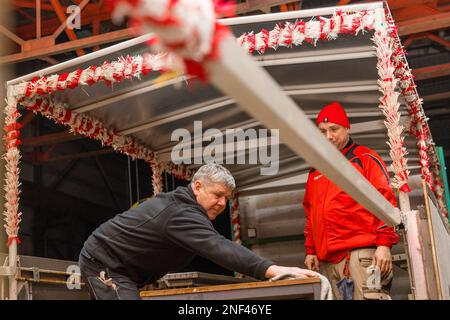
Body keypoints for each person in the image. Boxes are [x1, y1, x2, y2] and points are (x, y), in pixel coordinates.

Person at [79, 163, 317, 299]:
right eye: (217, 195)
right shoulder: (180, 213)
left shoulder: (188, 211)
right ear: (198, 186)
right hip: (105, 263)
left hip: (128, 271)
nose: (223, 203)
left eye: (227, 198)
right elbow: (220, 247)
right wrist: (273, 269)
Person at [303, 102, 399, 300]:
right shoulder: (316, 170)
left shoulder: (364, 158)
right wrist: (311, 250)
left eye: (334, 129)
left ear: (347, 127)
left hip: (362, 255)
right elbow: (310, 213)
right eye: (322, 131)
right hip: (329, 261)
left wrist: (384, 245)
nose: (328, 136)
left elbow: (386, 201)